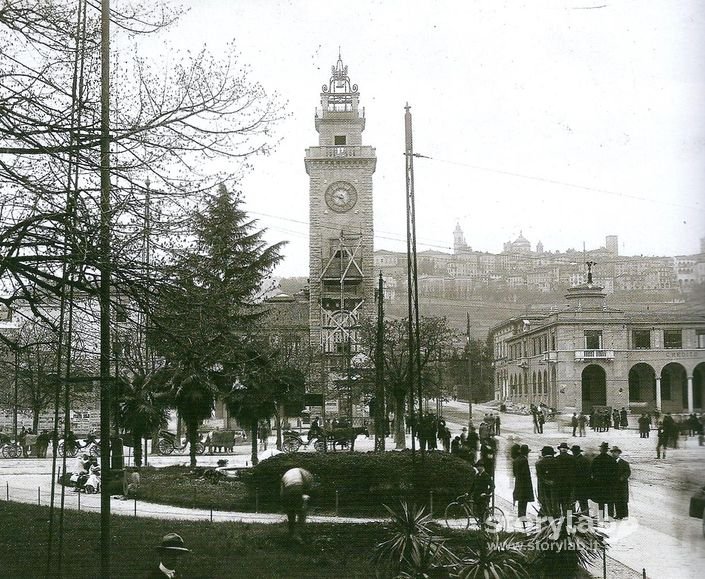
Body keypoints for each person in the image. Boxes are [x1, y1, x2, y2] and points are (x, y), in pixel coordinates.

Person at [280, 467, 314, 541]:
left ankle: (291, 534)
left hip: (288, 488)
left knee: (291, 513)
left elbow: (282, 492)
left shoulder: (288, 473)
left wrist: (284, 502)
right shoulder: (306, 474)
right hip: (297, 487)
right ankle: (299, 535)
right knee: (301, 513)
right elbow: (308, 488)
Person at [590, 442, 616, 518]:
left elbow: (592, 471)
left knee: (601, 502)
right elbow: (615, 472)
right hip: (608, 484)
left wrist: (595, 479)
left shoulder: (596, 459)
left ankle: (602, 518)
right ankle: (610, 518)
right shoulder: (611, 460)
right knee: (610, 501)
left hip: (600, 484)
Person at [512, 444, 534, 522]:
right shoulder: (524, 460)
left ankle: (520, 515)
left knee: (521, 500)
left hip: (518, 483)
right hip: (524, 484)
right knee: (524, 501)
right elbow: (525, 473)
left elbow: (514, 473)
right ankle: (522, 516)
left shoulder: (516, 460)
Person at [610, 446, 631, 519]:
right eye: (612, 452)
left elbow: (628, 472)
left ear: (619, 453)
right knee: (616, 499)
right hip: (614, 484)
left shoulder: (624, 463)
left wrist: (622, 478)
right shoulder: (610, 463)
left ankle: (625, 515)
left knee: (623, 499)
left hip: (622, 485)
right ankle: (618, 514)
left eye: (615, 452)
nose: (614, 454)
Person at [535, 446, 555, 515]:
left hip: (543, 488)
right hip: (555, 487)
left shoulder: (539, 463)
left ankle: (545, 522)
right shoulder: (557, 461)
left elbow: (539, 476)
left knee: (545, 505)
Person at [571, 445, 591, 515]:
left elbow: (588, 474)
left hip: (579, 486)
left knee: (576, 503)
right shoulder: (584, 459)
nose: (573, 452)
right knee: (582, 503)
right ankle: (584, 519)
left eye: (574, 451)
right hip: (579, 486)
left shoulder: (583, 460)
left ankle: (575, 520)